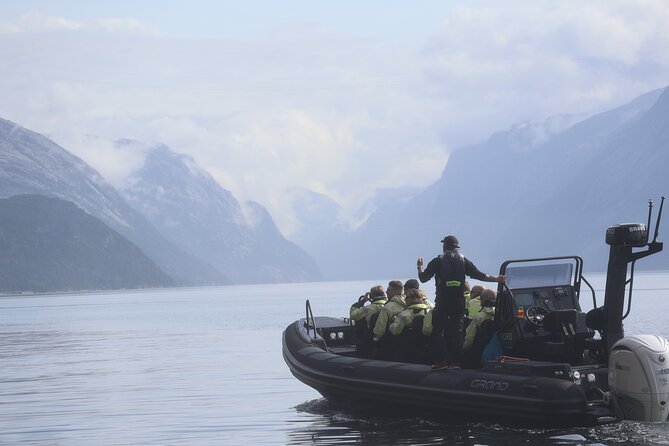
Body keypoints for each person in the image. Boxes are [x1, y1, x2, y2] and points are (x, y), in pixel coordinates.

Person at [417, 235, 505, 369]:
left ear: (444, 246)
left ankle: (442, 360)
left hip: (442, 301)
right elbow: (480, 275)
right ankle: (456, 362)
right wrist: (496, 279)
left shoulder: (438, 261)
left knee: (438, 331)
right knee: (457, 332)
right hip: (459, 301)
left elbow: (423, 279)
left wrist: (419, 267)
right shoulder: (464, 261)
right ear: (456, 247)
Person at [371, 280, 406, 359]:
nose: (386, 292)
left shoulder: (388, 307)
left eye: (388, 290)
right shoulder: (408, 302)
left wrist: (375, 340)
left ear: (395, 291)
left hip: (390, 342)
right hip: (405, 341)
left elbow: (380, 328)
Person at [349, 285, 387, 357]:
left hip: (371, 339)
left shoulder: (367, 309)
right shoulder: (390, 306)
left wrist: (363, 300)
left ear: (371, 296)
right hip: (386, 338)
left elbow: (353, 315)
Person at [463, 288, 496, 352]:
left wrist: (462, 350)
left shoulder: (479, 317)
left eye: (481, 297)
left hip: (477, 352)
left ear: (483, 299)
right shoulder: (498, 315)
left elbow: (469, 338)